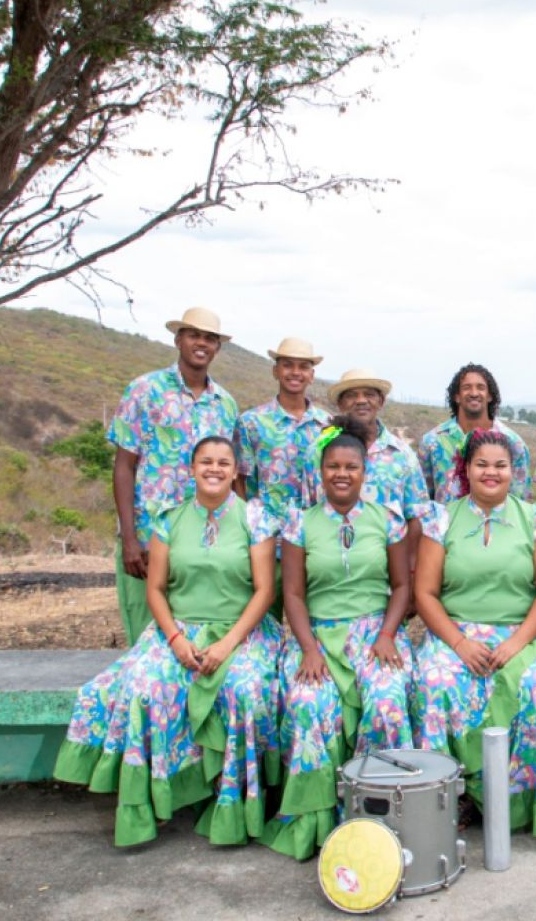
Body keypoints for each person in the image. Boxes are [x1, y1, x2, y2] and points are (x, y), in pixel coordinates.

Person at [54, 436, 282, 847]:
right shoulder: (168, 520)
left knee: (244, 689)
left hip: (241, 631)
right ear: (191, 469)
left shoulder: (257, 518)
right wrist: (176, 640)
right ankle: (149, 804)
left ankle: (230, 803)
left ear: (235, 471)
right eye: (206, 462)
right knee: (145, 687)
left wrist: (228, 644)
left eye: (223, 463)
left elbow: (265, 592)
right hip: (179, 630)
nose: (214, 469)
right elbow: (156, 589)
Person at [261, 416, 414, 860]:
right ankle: (317, 823)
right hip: (320, 637)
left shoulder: (387, 520)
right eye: (333, 466)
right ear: (320, 471)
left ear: (365, 472)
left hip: (373, 633)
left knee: (386, 700)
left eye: (351, 466)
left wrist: (388, 633)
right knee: (310, 706)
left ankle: (380, 821)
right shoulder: (299, 524)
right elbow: (291, 592)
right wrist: (308, 648)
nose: (341, 474)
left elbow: (401, 586)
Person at [411, 429, 536, 835]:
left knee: (530, 682)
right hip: (454, 632)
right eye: (482, 464)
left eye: (501, 465)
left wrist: (516, 643)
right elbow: (424, 592)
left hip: (519, 632)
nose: (491, 472)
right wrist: (458, 643)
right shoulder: (440, 518)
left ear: (515, 472)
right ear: (466, 469)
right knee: (434, 681)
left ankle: (514, 800)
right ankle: (452, 796)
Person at [108, 306, 239, 644]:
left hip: (203, 538)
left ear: (218, 348)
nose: (202, 343)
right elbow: (124, 465)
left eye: (210, 338)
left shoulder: (225, 404)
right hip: (149, 532)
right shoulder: (144, 390)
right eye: (194, 335)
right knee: (145, 631)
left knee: (193, 632)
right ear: (179, 339)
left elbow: (228, 474)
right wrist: (129, 538)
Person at [234, 336, 330, 618]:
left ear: (312, 375)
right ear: (275, 370)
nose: (295, 372)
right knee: (264, 620)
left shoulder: (328, 427)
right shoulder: (251, 422)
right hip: (267, 542)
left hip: (315, 542)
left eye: (303, 366)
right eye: (287, 365)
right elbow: (240, 483)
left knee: (315, 622)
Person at [305, 368, 430, 564]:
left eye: (369, 394)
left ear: (381, 401)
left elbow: (417, 515)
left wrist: (409, 567)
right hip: (330, 567)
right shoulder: (318, 451)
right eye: (352, 395)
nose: (361, 400)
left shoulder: (402, 455)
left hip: (390, 573)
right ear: (340, 403)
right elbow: (308, 509)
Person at [418, 363, 530, 503]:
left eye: (481, 387)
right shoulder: (432, 442)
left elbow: (520, 500)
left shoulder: (513, 443)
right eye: (466, 387)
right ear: (456, 396)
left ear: (490, 396)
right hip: (447, 524)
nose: (474, 393)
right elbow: (422, 500)